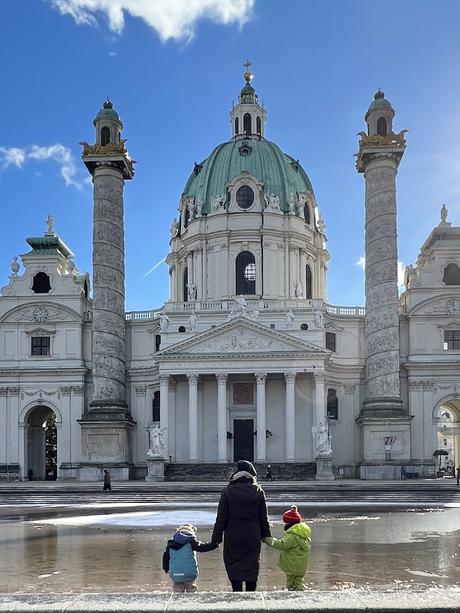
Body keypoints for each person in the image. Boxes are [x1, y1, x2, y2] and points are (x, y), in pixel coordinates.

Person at [212, 460, 271, 592]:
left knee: (234, 569)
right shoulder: (258, 491)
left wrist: (215, 539)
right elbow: (263, 517)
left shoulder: (227, 491)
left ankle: (237, 597)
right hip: (252, 536)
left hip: (233, 536)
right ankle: (251, 599)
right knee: (252, 567)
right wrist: (267, 536)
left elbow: (221, 519)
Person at [263, 505, 311, 591]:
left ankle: (292, 594)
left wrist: (268, 540)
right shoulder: (303, 535)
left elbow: (281, 544)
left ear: (289, 523)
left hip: (292, 566)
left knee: (290, 582)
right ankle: (301, 592)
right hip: (302, 566)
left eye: (285, 522)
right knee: (298, 581)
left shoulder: (292, 536)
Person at [162, 524, 218, 592]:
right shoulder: (191, 543)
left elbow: (165, 558)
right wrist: (214, 544)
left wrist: (166, 569)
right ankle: (191, 599)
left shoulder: (171, 545)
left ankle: (178, 599)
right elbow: (203, 548)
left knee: (177, 587)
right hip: (189, 573)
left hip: (175, 573)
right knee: (191, 586)